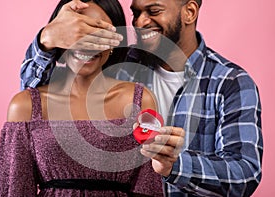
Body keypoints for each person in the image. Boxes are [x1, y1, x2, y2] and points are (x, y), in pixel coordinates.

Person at [19, 0, 263, 196]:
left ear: (189, 12)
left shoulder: (230, 82)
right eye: (136, 13)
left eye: (153, 10)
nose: (141, 22)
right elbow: (38, 94)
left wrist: (174, 165)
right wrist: (46, 39)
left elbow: (245, 174)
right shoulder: (119, 64)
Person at [0, 0, 166, 196]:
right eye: (77, 31)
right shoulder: (24, 105)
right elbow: (15, 189)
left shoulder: (140, 100)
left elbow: (149, 187)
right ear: (59, 35)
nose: (87, 44)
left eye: (99, 33)